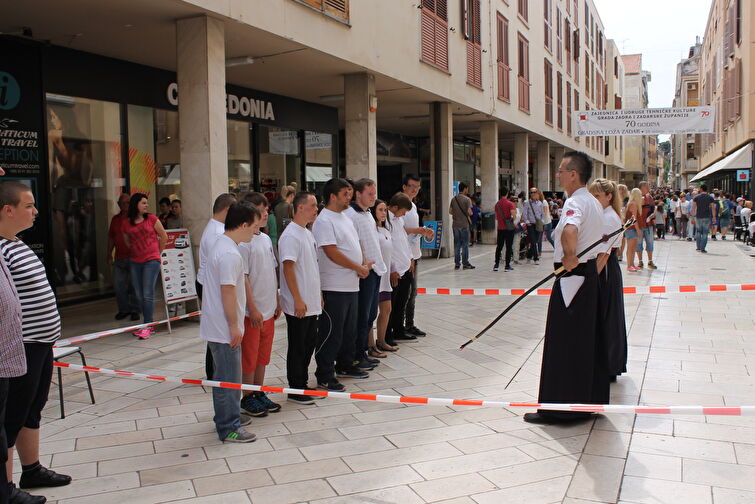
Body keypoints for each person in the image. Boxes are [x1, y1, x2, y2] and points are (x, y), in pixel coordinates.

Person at [523, 151, 609, 425]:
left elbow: (570, 229)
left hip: (573, 278)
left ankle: (560, 409)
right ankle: (587, 401)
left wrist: (570, 255)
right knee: (585, 340)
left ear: (574, 174)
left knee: (565, 342)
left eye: (561, 170)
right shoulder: (593, 202)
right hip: (587, 277)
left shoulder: (575, 201)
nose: (557, 174)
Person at [0, 181, 72, 503]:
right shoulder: (1, 249)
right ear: (8, 210)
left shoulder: (17, 243)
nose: (36, 212)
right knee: (13, 415)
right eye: (29, 205)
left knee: (33, 408)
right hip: (22, 346)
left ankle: (32, 468)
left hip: (41, 344)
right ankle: (8, 486)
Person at [200, 202, 260, 443]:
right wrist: (234, 325)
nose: (256, 232)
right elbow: (228, 292)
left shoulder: (224, 245)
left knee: (225, 377)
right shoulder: (228, 253)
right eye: (254, 227)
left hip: (220, 325)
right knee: (229, 379)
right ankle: (228, 427)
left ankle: (229, 416)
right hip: (224, 328)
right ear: (243, 224)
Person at [313, 178, 371, 392]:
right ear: (332, 196)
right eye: (346, 194)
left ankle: (346, 364)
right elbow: (331, 252)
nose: (350, 197)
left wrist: (363, 263)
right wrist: (357, 266)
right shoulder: (324, 220)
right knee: (332, 333)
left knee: (349, 331)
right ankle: (325, 375)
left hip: (351, 284)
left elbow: (355, 244)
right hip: (334, 285)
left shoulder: (345, 217)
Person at [238, 193, 282, 417]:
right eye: (261, 210)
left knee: (263, 355)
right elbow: (243, 277)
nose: (265, 214)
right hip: (251, 312)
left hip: (268, 309)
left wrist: (276, 298)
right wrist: (252, 308)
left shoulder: (264, 239)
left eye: (267, 210)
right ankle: (247, 396)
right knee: (250, 356)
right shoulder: (244, 243)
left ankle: (259, 391)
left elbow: (272, 271)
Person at [278, 192, 322, 405]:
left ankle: (302, 383)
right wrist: (297, 298)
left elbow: (312, 266)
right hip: (299, 301)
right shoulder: (291, 235)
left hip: (311, 299)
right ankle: (295, 387)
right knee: (298, 345)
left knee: (309, 343)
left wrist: (318, 294)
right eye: (313, 205)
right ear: (300, 207)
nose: (316, 209)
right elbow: (288, 267)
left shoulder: (307, 233)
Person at [344, 179, 387, 371]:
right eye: (369, 193)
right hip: (363, 272)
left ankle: (362, 352)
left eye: (374, 193)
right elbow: (354, 243)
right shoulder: (351, 214)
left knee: (370, 315)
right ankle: (355, 356)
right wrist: (362, 265)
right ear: (358, 194)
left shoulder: (368, 213)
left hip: (375, 270)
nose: (373, 197)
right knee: (361, 316)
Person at [589, 179, 627, 382]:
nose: (594, 200)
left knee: (606, 316)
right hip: (606, 268)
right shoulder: (605, 215)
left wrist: (591, 279)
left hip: (604, 269)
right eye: (592, 196)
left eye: (597, 196)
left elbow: (603, 254)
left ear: (609, 197)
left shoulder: (608, 218)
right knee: (607, 316)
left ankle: (608, 364)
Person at [198, 193, 237, 379]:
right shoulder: (217, 233)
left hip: (210, 283)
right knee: (217, 332)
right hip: (211, 285)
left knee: (215, 332)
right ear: (227, 210)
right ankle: (214, 372)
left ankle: (213, 371)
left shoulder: (217, 227)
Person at [123, 193, 168, 339]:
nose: (146, 205)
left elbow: (164, 236)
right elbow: (127, 241)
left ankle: (148, 325)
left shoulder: (152, 219)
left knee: (148, 294)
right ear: (135, 204)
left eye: (146, 203)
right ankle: (146, 324)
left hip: (151, 260)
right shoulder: (127, 223)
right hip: (135, 261)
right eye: (143, 203)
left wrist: (157, 253)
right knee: (139, 294)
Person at [401, 175, 433, 338]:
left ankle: (409, 324)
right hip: (405, 256)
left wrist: (422, 232)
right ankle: (401, 327)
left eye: (417, 187)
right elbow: (398, 231)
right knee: (405, 294)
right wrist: (418, 231)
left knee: (412, 293)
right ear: (404, 186)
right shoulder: (400, 206)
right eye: (412, 186)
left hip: (414, 253)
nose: (414, 190)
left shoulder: (412, 206)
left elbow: (411, 230)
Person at [385, 193, 414, 346]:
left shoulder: (399, 220)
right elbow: (389, 248)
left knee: (402, 302)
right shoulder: (387, 221)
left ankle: (399, 330)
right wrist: (392, 269)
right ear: (395, 207)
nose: (404, 214)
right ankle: (388, 334)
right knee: (393, 305)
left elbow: (403, 241)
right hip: (396, 270)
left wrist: (410, 259)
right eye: (403, 211)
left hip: (405, 268)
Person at [369, 199, 397, 356]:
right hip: (374, 276)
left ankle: (382, 340)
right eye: (380, 209)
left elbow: (390, 254)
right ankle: (370, 345)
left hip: (385, 277)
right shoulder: (371, 231)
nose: (383, 213)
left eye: (385, 210)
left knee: (386, 309)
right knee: (371, 313)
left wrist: (394, 269)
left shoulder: (386, 231)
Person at [106, 193, 139, 321]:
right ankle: (124, 310)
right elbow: (111, 238)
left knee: (134, 285)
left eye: (128, 202)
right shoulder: (115, 219)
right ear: (119, 205)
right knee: (119, 285)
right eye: (123, 203)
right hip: (119, 257)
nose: (126, 205)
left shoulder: (136, 218)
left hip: (134, 258)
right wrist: (109, 254)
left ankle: (135, 310)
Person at [449, 182, 474, 270]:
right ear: (464, 189)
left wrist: (457, 214)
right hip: (464, 224)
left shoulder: (453, 199)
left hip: (455, 224)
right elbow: (470, 212)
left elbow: (450, 211)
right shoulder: (467, 200)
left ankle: (457, 263)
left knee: (457, 244)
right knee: (465, 244)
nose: (467, 190)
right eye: (467, 188)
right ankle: (465, 263)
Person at [493, 187, 516, 272]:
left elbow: (496, 217)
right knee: (508, 247)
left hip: (500, 228)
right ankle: (507, 266)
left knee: (499, 246)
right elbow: (514, 216)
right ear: (507, 193)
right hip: (509, 229)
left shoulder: (497, 204)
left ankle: (496, 265)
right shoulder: (510, 204)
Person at [636, 181, 657, 269]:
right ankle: (640, 261)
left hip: (649, 224)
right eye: (647, 186)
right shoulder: (636, 196)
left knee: (650, 243)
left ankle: (650, 261)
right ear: (642, 187)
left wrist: (653, 215)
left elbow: (654, 208)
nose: (648, 188)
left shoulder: (650, 197)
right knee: (639, 243)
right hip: (640, 224)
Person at [522, 187, 545, 265]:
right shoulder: (527, 203)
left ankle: (528, 256)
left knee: (535, 241)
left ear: (537, 193)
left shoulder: (540, 203)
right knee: (533, 241)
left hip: (538, 224)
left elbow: (542, 214)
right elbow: (524, 213)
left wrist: (542, 221)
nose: (533, 194)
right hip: (530, 225)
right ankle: (536, 258)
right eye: (531, 192)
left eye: (534, 192)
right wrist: (527, 222)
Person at [692, 184, 717, 253]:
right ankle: (703, 248)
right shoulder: (710, 198)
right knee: (705, 233)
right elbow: (713, 208)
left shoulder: (696, 197)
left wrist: (692, 217)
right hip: (707, 217)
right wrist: (714, 217)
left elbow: (693, 208)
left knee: (698, 232)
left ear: (701, 189)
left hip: (698, 216)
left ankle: (698, 247)